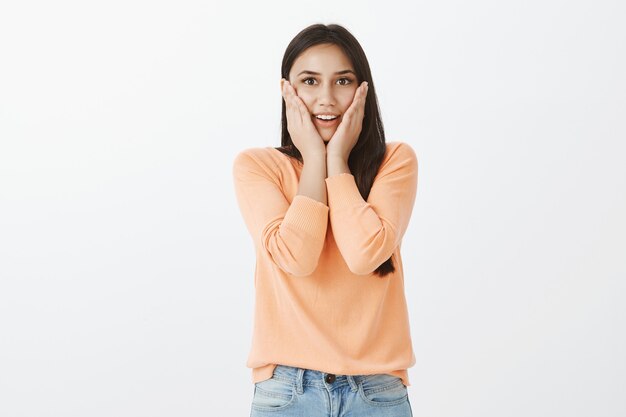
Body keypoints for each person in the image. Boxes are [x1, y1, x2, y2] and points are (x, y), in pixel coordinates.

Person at [232, 23, 418, 417]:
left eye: (343, 81)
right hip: (286, 391)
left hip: (377, 391)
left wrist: (336, 162)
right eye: (310, 81)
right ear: (288, 91)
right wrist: (314, 158)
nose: (327, 98)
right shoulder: (258, 167)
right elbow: (297, 258)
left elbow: (364, 255)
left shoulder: (395, 161)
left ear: (363, 89)